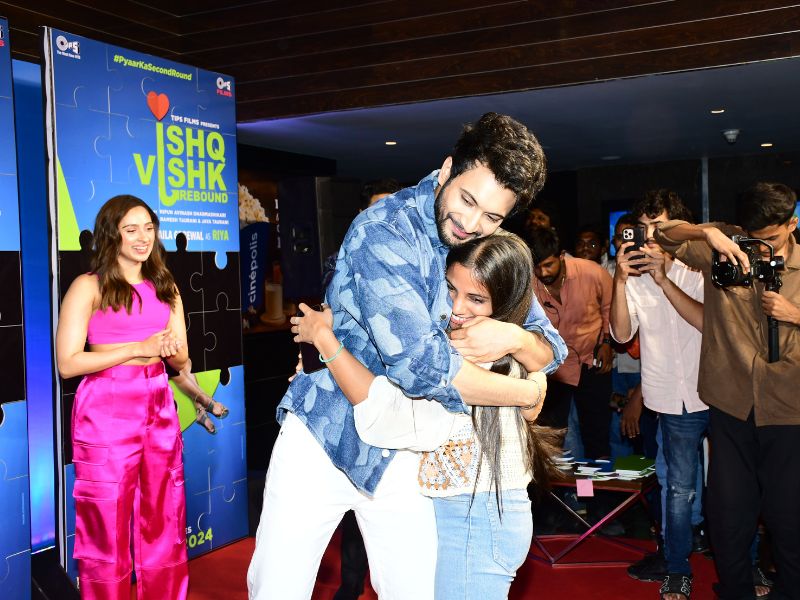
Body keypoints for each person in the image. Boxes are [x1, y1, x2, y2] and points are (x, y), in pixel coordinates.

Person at [247, 112, 566, 600]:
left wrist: (514, 339)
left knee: (414, 591)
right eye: (467, 200)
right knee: (278, 588)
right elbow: (423, 368)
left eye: (493, 217)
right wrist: (524, 391)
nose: (472, 224)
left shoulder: (482, 242)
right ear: (447, 170)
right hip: (326, 433)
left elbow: (550, 345)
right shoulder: (385, 231)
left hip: (409, 451)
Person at [293, 233, 563, 598]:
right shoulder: (480, 344)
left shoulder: (477, 353)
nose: (457, 307)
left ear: (505, 302)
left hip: (477, 520)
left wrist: (326, 341)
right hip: (474, 514)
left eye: (476, 298)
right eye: (451, 289)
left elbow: (390, 418)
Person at [654, 182, 800, 600]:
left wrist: (795, 314)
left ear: (792, 224)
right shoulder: (724, 245)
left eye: (771, 239)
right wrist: (708, 232)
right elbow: (664, 234)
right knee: (729, 514)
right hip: (731, 404)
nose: (761, 249)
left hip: (789, 407)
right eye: (754, 239)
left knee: (789, 516)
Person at [55, 195, 189, 600]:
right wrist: (137, 348)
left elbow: (182, 359)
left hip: (159, 405)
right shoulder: (88, 286)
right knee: (105, 524)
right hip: (105, 409)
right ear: (111, 235)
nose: (143, 237)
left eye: (148, 228)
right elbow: (67, 363)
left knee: (165, 518)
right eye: (131, 229)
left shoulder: (166, 286)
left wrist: (170, 351)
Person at [526, 225, 614, 460]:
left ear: (562, 255)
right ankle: (560, 484)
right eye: (537, 267)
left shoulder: (592, 272)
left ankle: (598, 483)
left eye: (549, 265)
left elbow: (610, 307)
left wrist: (607, 341)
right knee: (552, 435)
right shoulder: (530, 282)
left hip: (590, 360)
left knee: (596, 433)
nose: (543, 272)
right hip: (553, 368)